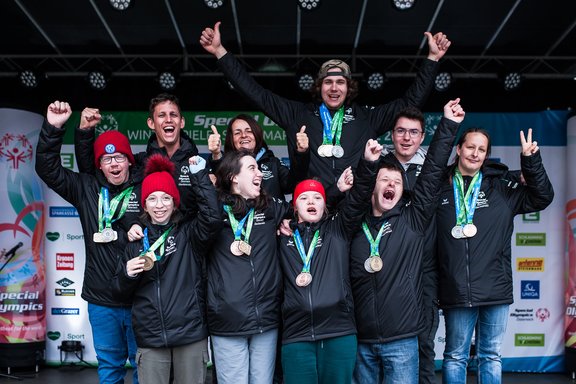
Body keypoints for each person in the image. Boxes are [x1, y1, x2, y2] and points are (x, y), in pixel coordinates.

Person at [200, 21, 450, 194]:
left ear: (348, 87)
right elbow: (255, 93)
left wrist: (432, 60)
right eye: (328, 82)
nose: (334, 88)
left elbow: (409, 103)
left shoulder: (366, 119)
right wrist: (220, 52)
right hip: (312, 203)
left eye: (340, 82)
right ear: (319, 86)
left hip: (354, 206)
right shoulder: (298, 114)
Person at [350, 99, 465, 384]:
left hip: (414, 291)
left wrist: (449, 125)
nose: (390, 185)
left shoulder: (414, 215)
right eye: (384, 180)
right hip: (366, 320)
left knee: (423, 349)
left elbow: (434, 170)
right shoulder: (357, 216)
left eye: (397, 183)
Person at [436, 127, 554, 383]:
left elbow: (543, 196)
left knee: (490, 355)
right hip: (456, 288)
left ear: (486, 155)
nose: (475, 154)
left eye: (481, 150)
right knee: (456, 356)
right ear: (458, 149)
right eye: (470, 147)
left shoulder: (501, 188)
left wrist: (530, 161)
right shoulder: (438, 188)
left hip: (495, 288)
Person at [36, 101, 140, 384]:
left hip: (141, 298)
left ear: (130, 159)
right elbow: (47, 169)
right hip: (101, 298)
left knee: (145, 369)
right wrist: (54, 128)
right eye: (106, 159)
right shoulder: (86, 188)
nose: (114, 163)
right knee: (109, 368)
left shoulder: (146, 190)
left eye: (119, 157)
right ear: (99, 165)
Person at [277, 139, 382, 384]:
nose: (311, 202)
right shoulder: (281, 236)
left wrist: (368, 163)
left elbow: (358, 198)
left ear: (326, 205)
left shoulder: (338, 229)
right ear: (294, 207)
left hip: (338, 330)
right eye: (304, 199)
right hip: (296, 334)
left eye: (317, 198)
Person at [113, 154, 221, 384]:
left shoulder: (190, 234)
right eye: (152, 199)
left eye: (165, 198)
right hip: (151, 337)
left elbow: (212, 218)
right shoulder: (135, 241)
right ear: (144, 205)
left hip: (190, 335)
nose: (159, 205)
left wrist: (199, 175)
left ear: (175, 202)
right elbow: (119, 292)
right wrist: (127, 274)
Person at [207, 150, 293, 384]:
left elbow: (306, 211)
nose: (260, 173)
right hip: (228, 320)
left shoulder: (271, 208)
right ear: (234, 177)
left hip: (266, 318)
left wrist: (289, 219)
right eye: (252, 168)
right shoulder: (214, 212)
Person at [381, 106, 440, 384]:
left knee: (424, 345)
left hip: (424, 270)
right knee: (383, 351)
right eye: (401, 131)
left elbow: (471, 170)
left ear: (422, 136)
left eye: (413, 132)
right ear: (392, 135)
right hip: (384, 271)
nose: (406, 138)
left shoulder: (434, 168)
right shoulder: (376, 166)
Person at [207, 114, 309, 199]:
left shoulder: (273, 163)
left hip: (272, 221)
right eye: (237, 133)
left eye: (249, 131)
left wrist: (301, 153)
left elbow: (292, 185)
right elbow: (222, 181)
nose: (243, 135)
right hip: (237, 221)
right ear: (231, 139)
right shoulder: (226, 164)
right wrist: (216, 154)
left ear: (257, 134)